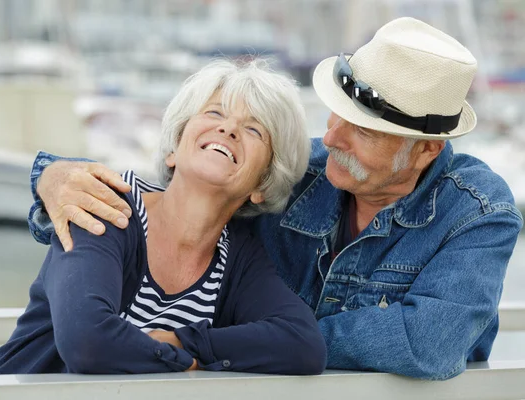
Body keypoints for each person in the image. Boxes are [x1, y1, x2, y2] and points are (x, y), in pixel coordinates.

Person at [26, 17, 523, 380]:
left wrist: (227, 342)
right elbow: (189, 186)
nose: (330, 139)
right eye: (334, 114)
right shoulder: (300, 170)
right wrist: (50, 177)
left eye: (363, 132)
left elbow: (429, 344)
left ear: (426, 150)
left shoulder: (478, 213)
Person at [0, 59, 328, 375]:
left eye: (254, 130)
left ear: (262, 185)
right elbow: (86, 340)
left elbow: (303, 345)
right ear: (174, 148)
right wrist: (187, 362)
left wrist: (185, 341)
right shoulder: (105, 206)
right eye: (214, 113)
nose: (229, 129)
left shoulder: (238, 257)